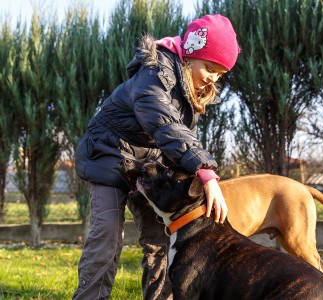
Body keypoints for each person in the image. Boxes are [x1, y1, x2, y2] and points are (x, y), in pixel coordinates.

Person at [72, 14, 240, 300]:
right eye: (210, 67)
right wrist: (206, 172)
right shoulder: (154, 73)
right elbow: (165, 125)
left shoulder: (189, 93)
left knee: (161, 239)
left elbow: (179, 143)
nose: (212, 78)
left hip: (147, 164)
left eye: (220, 74)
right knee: (107, 239)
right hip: (108, 155)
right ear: (191, 53)